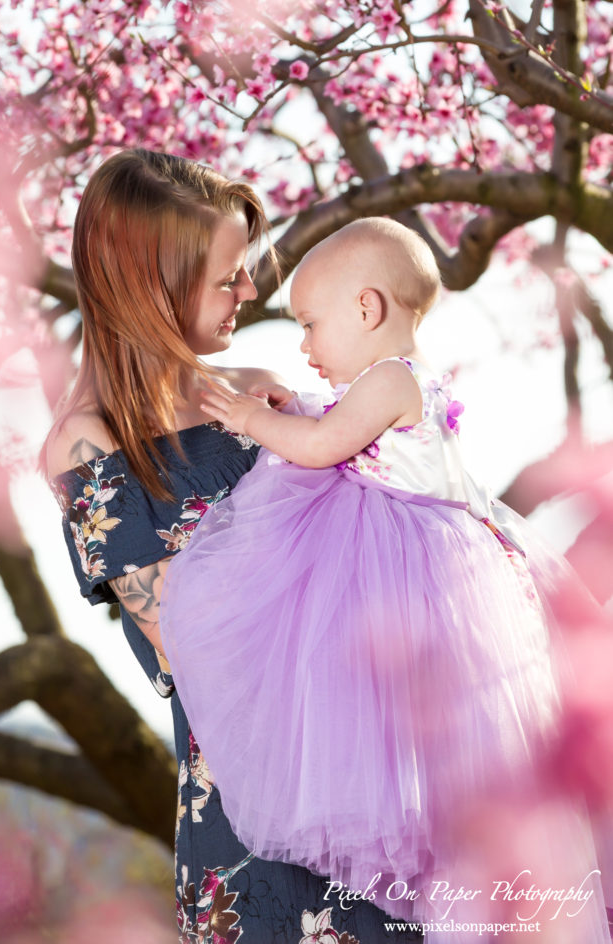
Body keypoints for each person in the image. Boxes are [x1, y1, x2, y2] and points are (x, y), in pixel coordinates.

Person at [160, 217, 610, 941]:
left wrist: (250, 417)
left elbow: (319, 446)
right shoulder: (388, 382)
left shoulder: (391, 379)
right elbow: (330, 426)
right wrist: (293, 409)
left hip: (416, 572)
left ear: (366, 310)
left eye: (310, 323)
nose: (302, 344)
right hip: (418, 561)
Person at [44, 152, 422, 944]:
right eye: (227, 277)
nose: (250, 293)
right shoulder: (89, 447)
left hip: (391, 770)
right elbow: (194, 650)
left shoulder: (257, 388)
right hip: (262, 819)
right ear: (154, 282)